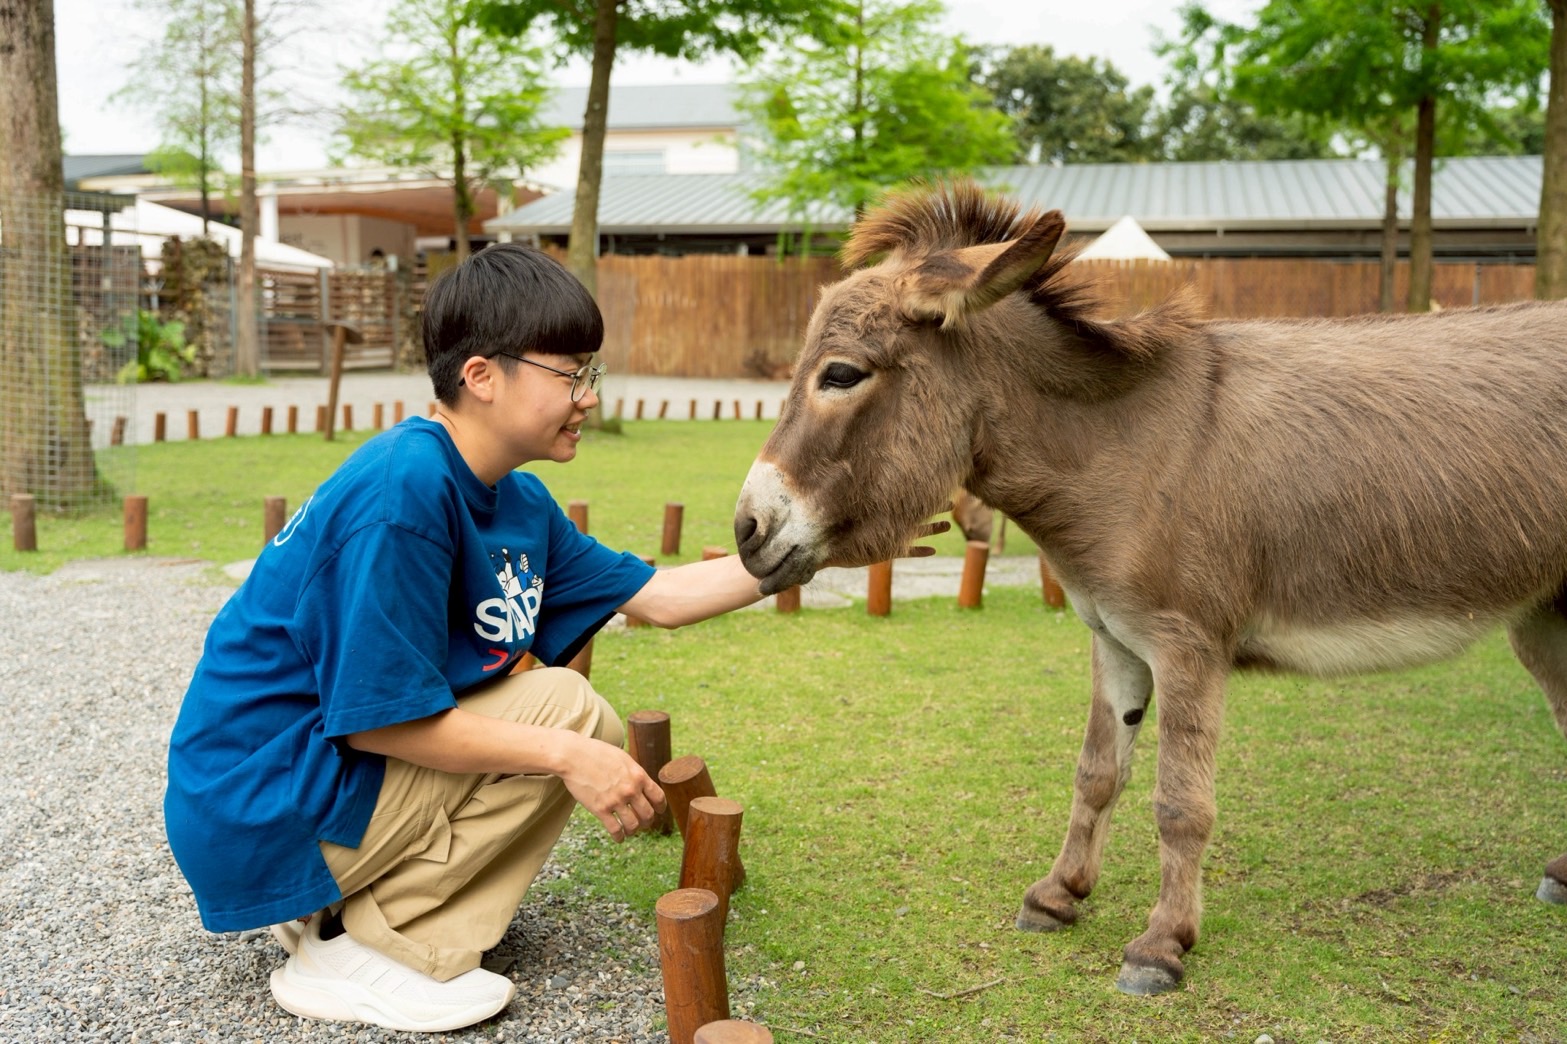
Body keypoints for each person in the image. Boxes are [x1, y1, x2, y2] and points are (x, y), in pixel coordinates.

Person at [163, 244, 779, 1033]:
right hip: (260, 801)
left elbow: (659, 597)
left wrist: (815, 547)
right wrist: (569, 758)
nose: (588, 396)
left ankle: (345, 908)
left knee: (563, 708)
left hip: (315, 781)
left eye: (591, 373)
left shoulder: (512, 499)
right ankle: (372, 950)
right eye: (570, 373)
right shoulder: (404, 489)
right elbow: (383, 720)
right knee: (571, 722)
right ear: (483, 375)